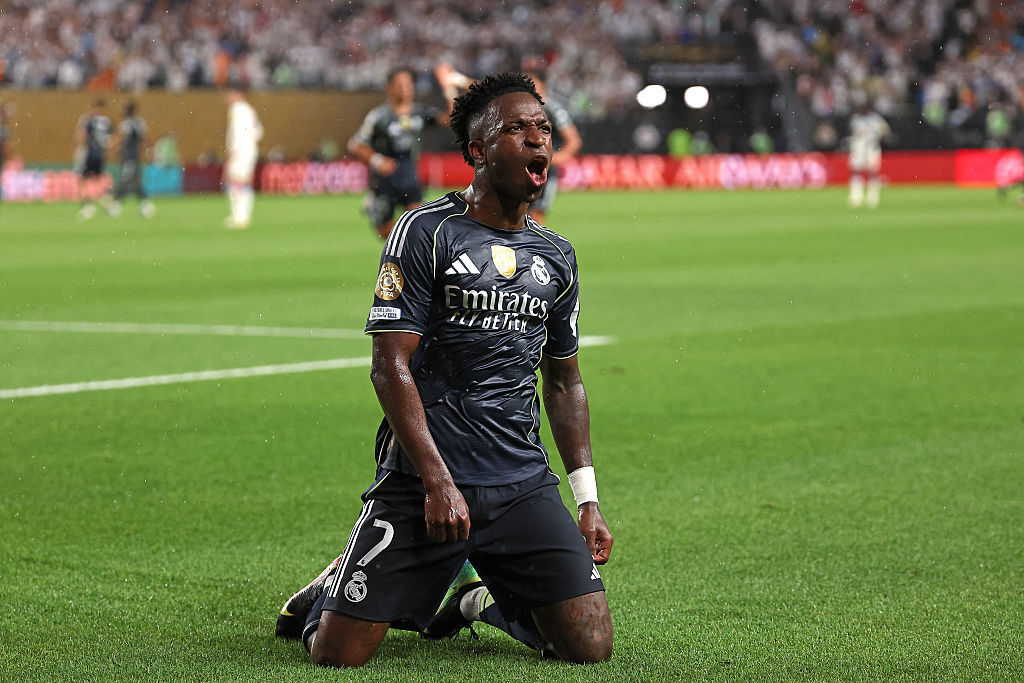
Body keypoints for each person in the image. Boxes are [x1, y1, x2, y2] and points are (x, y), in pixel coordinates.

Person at [277, 73, 614, 668]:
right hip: (425, 477)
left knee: (589, 646)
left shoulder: (558, 256)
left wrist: (586, 499)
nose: (538, 139)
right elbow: (389, 365)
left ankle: (474, 601)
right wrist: (437, 482)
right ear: (477, 151)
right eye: (517, 129)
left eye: (542, 128)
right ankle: (331, 590)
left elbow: (565, 382)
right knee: (339, 654)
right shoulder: (426, 231)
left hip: (519, 480)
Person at [347, 67, 458, 240]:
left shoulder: (419, 113)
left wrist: (448, 88)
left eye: (408, 84)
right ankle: (374, 204)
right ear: (389, 88)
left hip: (410, 178)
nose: (405, 88)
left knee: (417, 229)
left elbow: (451, 119)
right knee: (387, 235)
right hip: (384, 182)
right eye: (400, 84)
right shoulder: (378, 117)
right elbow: (355, 144)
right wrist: (377, 160)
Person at [523, 69, 581, 224]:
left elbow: (573, 141)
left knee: (534, 218)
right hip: (519, 170)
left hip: (543, 173)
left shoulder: (553, 110)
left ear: (543, 86)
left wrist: (552, 159)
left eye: (533, 86)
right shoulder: (517, 109)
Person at [223, 88, 263, 229]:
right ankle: (240, 216)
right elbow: (259, 132)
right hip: (249, 149)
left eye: (229, 94)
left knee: (237, 182)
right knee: (241, 182)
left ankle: (240, 216)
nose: (227, 97)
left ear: (238, 94)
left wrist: (234, 150)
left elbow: (236, 133)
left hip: (240, 150)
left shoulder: (237, 109)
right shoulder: (249, 109)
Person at [74, 98, 117, 220]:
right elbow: (113, 139)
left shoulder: (89, 120)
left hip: (90, 154)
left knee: (83, 179)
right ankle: (107, 202)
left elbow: (82, 136)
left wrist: (80, 148)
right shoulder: (107, 121)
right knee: (100, 179)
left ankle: (88, 204)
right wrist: (109, 149)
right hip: (100, 155)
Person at [112, 100, 156, 218]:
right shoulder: (136, 122)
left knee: (126, 180)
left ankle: (117, 204)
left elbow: (142, 139)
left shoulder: (130, 123)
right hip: (129, 156)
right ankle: (144, 203)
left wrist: (149, 151)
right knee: (133, 180)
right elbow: (144, 139)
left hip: (130, 157)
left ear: (128, 110)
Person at [847, 98, 891, 209]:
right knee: (856, 171)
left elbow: (886, 130)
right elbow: (853, 132)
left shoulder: (875, 119)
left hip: (871, 147)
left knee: (873, 172)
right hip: (859, 147)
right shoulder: (856, 119)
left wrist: (878, 136)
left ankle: (873, 197)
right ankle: (856, 196)